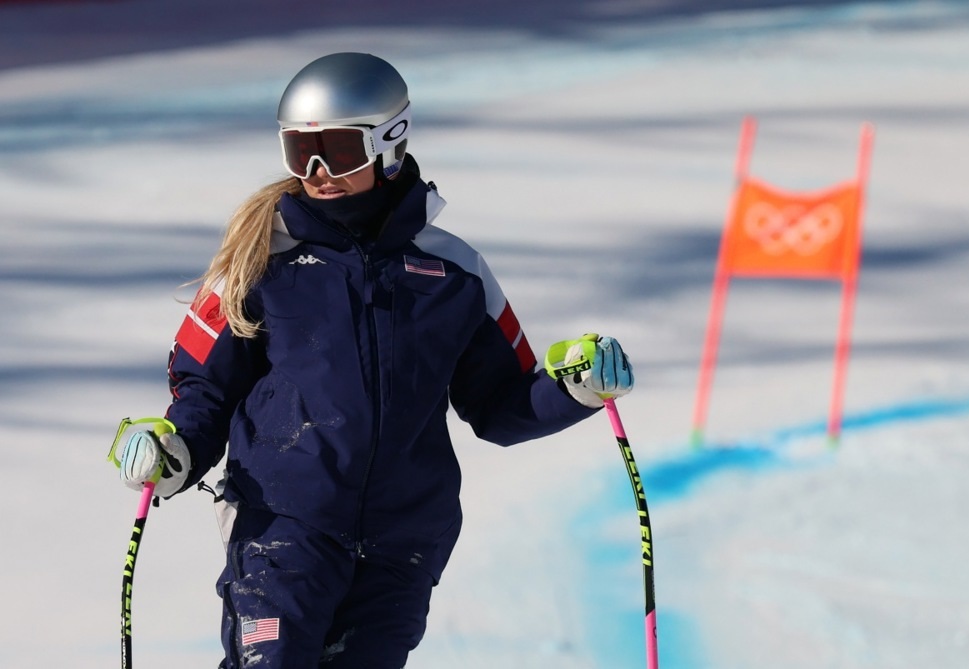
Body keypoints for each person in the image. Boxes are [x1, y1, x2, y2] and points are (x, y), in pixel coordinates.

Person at [116, 52, 634, 669]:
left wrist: (575, 389)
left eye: (338, 151)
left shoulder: (453, 272)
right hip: (283, 525)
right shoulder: (261, 261)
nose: (317, 173)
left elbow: (500, 406)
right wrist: (174, 450)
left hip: (402, 541)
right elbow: (205, 388)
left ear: (390, 141)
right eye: (300, 152)